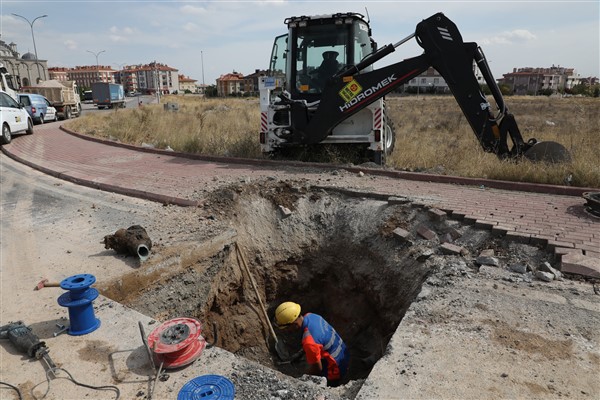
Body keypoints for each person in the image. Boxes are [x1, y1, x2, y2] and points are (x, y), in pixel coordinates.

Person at [274, 301, 349, 387]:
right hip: (343, 352)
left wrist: (302, 379)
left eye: (286, 328)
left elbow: (317, 369)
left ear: (294, 324)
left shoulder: (309, 342)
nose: (286, 331)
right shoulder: (311, 316)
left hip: (335, 369)